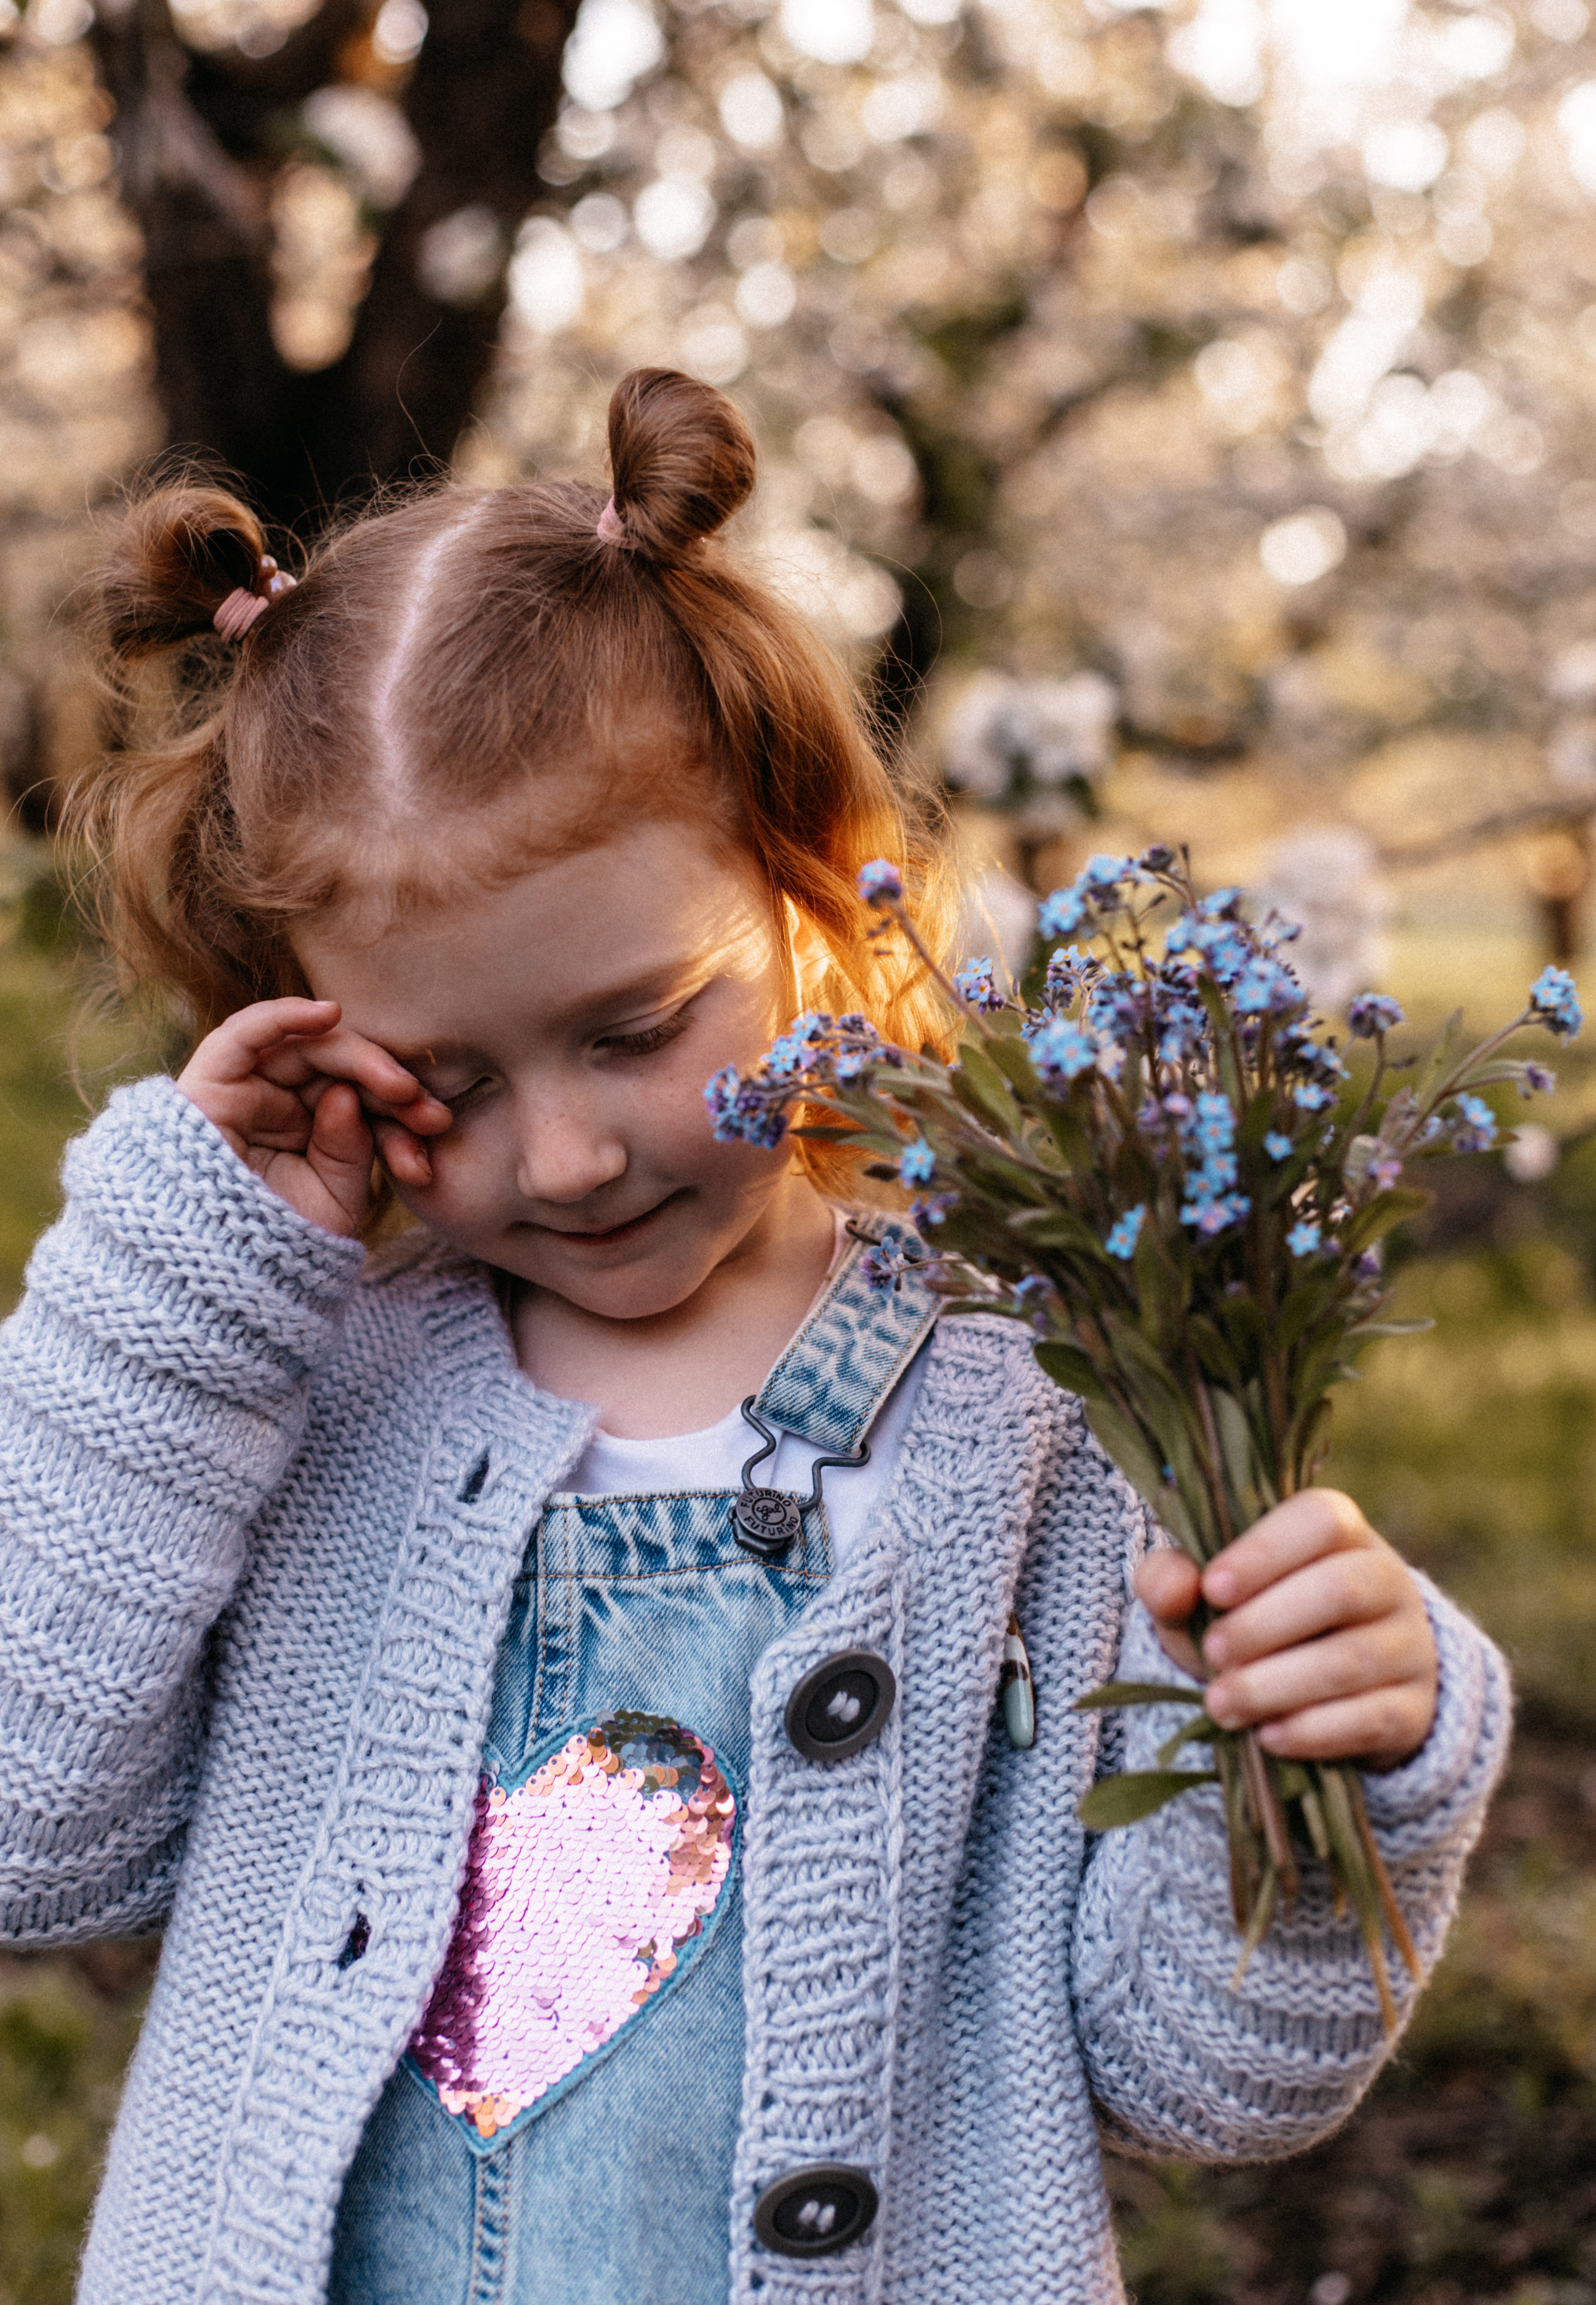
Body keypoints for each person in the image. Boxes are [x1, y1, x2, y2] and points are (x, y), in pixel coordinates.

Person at [0, 368, 1506, 2305]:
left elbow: (1207, 2083)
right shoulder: (300, 1387)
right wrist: (176, 1296)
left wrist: (1350, 1758)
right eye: (444, 1077)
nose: (563, 1150)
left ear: (810, 888)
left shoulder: (1047, 1405)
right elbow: (34, 1839)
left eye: (636, 1028)